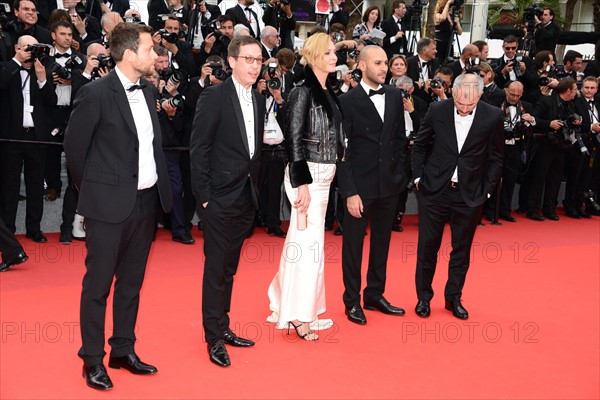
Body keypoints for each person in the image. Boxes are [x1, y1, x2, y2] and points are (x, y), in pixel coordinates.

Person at [63, 22, 173, 390]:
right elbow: (74, 151)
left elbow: (152, 146)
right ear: (129, 55)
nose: (155, 55)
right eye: (148, 49)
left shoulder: (147, 89)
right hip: (107, 207)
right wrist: (94, 194)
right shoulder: (95, 94)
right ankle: (92, 359)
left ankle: (123, 349)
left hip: (145, 202)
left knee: (131, 284)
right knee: (97, 287)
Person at [190, 35, 266, 367]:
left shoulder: (260, 100)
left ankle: (223, 325)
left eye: (259, 60)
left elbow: (254, 152)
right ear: (232, 61)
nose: (254, 65)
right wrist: (204, 197)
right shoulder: (214, 96)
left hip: (245, 196)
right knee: (215, 269)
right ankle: (213, 337)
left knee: (230, 269)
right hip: (218, 199)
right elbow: (199, 148)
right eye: (248, 59)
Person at [267, 33, 341, 340]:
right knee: (308, 248)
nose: (334, 57)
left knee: (305, 245)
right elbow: (293, 139)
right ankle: (299, 317)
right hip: (307, 176)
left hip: (323, 177)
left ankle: (291, 304)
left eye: (335, 52)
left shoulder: (327, 91)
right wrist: (302, 184)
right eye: (328, 53)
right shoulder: (302, 92)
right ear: (313, 57)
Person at [411, 73, 504, 320]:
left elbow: (496, 157)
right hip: (435, 192)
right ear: (453, 92)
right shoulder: (437, 109)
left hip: (470, 194)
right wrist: (419, 179)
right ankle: (423, 298)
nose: (464, 109)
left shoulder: (493, 115)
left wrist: (486, 191)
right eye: (460, 103)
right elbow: (420, 145)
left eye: (470, 105)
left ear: (481, 96)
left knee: (461, 251)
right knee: (427, 248)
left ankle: (453, 298)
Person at [337, 45, 407, 325]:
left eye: (386, 62)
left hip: (389, 185)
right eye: (377, 63)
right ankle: (352, 301)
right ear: (362, 66)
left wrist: (399, 176)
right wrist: (350, 191)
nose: (384, 67)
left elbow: (400, 140)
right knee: (353, 246)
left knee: (382, 242)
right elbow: (342, 152)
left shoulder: (393, 95)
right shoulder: (347, 101)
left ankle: (375, 294)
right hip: (359, 188)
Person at [0, 35, 57, 243]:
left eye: (33, 48)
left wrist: (42, 79)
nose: (29, 52)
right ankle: (7, 233)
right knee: (9, 186)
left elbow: (53, 100)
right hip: (11, 137)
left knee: (35, 186)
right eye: (26, 48)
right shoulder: (7, 68)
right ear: (16, 48)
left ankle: (34, 228)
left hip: (36, 137)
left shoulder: (42, 70)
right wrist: (16, 61)